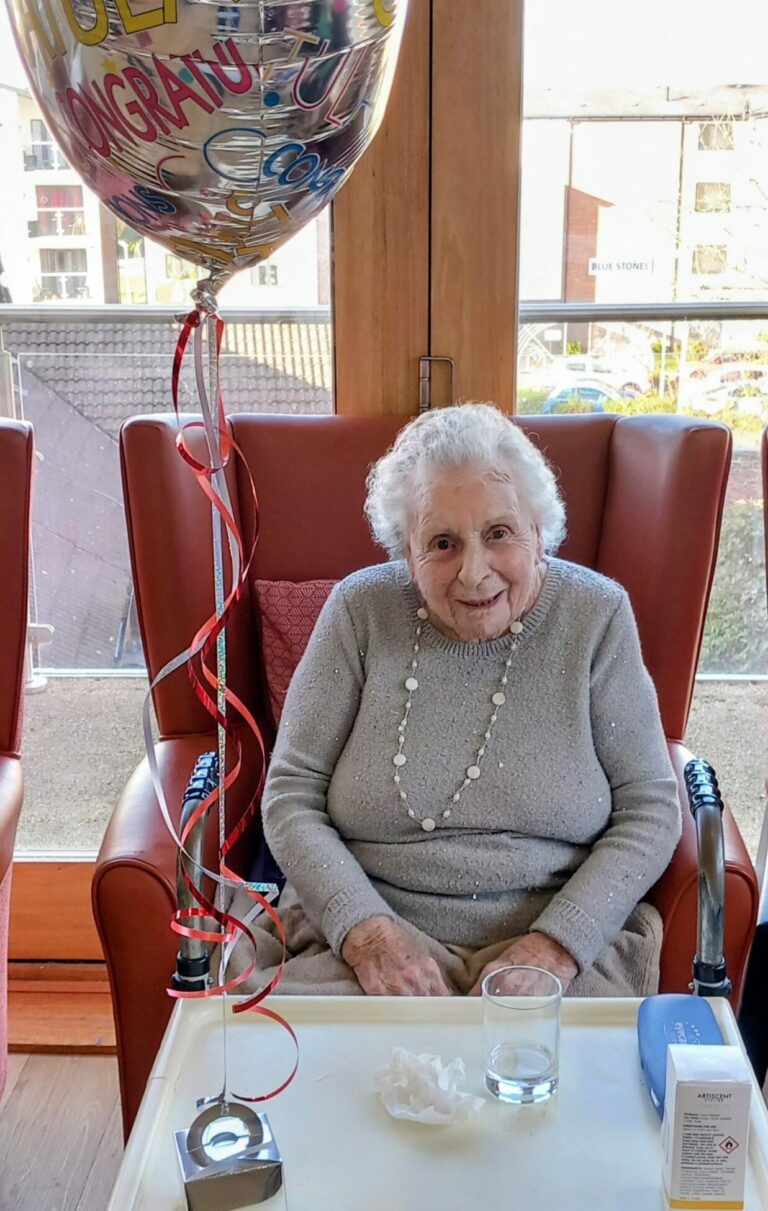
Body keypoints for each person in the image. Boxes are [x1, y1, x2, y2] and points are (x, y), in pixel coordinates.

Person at [242, 403, 681, 997]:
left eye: (498, 534)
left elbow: (650, 806)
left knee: (565, 1082)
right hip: (359, 933)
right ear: (405, 552)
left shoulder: (595, 616)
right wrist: (367, 936)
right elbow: (291, 795)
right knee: (315, 1075)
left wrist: (557, 947)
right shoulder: (359, 612)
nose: (475, 573)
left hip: (558, 938)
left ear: (538, 528)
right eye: (443, 543)